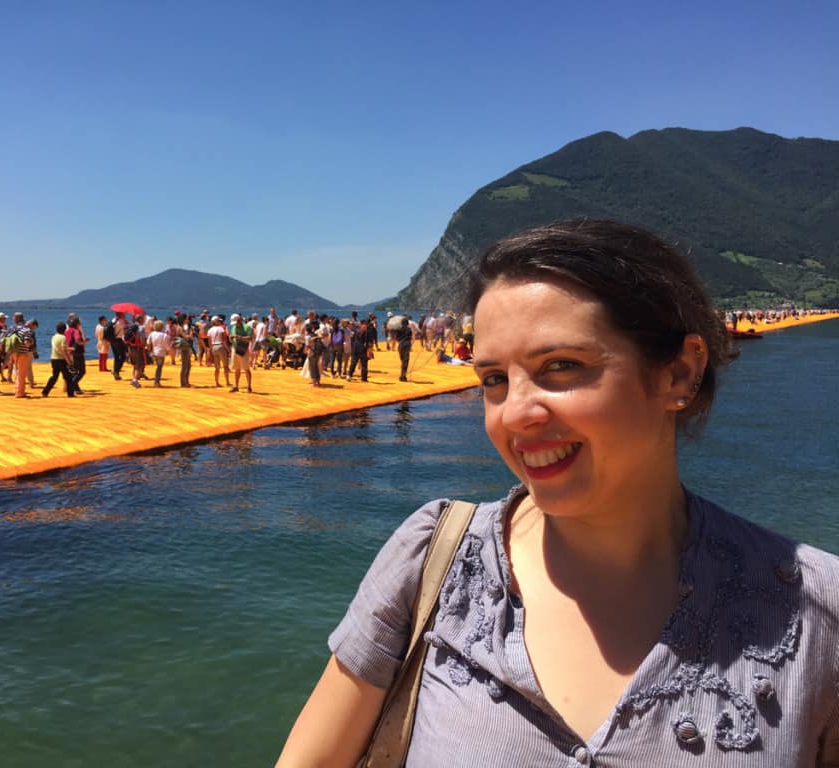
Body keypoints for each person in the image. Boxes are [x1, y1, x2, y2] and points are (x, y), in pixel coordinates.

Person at [277, 219, 839, 766]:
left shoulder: (819, 614)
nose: (515, 414)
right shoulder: (431, 561)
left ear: (679, 373)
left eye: (561, 366)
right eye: (493, 379)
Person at [41, 322, 75, 398]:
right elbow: (64, 351)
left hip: (53, 359)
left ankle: (45, 392)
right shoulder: (63, 338)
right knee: (68, 377)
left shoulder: (54, 337)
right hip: (61, 360)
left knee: (54, 377)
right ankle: (70, 394)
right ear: (64, 330)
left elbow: (58, 348)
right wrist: (69, 361)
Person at [228, 313, 253, 393]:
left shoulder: (247, 327)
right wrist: (230, 338)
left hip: (243, 350)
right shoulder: (233, 328)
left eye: (236, 323)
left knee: (246, 368)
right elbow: (231, 337)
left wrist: (240, 338)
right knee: (236, 369)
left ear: (239, 320)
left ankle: (249, 386)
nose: (236, 325)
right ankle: (236, 386)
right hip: (235, 349)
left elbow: (250, 338)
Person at [147, 319, 171, 386]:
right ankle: (157, 382)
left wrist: (150, 349)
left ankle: (157, 381)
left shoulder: (152, 334)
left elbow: (148, 343)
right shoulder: (164, 335)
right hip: (161, 353)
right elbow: (166, 345)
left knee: (158, 366)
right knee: (159, 367)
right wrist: (168, 351)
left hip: (154, 352)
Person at [396, 316, 413, 382]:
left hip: (400, 345)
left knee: (402, 360)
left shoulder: (399, 329)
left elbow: (397, 338)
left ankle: (402, 375)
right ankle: (403, 376)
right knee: (405, 361)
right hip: (406, 344)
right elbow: (410, 337)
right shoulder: (409, 329)